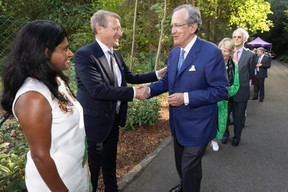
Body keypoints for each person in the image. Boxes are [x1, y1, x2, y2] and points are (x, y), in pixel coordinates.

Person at [74, 10, 167, 192]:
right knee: (92, 167)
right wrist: (134, 93)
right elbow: (97, 89)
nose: (121, 33)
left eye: (120, 28)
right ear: (99, 29)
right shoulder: (85, 55)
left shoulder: (115, 54)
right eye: (116, 28)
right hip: (94, 123)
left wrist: (157, 74)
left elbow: (129, 76)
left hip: (113, 119)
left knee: (110, 162)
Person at [141, 4, 228, 192]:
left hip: (199, 126)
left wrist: (186, 98)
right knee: (183, 168)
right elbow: (167, 83)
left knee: (189, 170)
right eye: (171, 26)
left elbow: (221, 91)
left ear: (192, 27)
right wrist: (148, 90)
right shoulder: (174, 53)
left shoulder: (211, 52)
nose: (172, 31)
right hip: (177, 126)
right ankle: (184, 186)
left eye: (177, 26)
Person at [1, 20, 88, 191]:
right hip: (55, 186)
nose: (70, 53)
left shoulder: (56, 80)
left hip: (76, 176)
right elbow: (40, 156)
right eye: (64, 48)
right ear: (45, 52)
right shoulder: (33, 97)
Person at [222, 27, 256, 146]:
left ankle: (237, 137)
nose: (236, 39)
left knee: (238, 117)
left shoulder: (251, 55)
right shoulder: (226, 52)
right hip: (226, 92)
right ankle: (225, 135)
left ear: (245, 39)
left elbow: (251, 73)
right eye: (234, 37)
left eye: (239, 37)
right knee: (225, 116)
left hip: (241, 92)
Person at [210, 38, 240, 152]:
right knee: (209, 121)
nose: (223, 53)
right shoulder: (213, 62)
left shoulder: (234, 65)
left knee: (220, 122)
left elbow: (236, 84)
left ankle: (213, 141)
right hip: (211, 98)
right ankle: (203, 143)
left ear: (231, 52)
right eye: (221, 50)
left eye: (226, 51)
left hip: (223, 99)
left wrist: (224, 94)